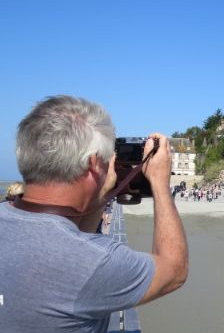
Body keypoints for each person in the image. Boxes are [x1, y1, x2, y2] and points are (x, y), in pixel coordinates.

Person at [0, 95, 188, 332]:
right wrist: (160, 183)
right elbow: (174, 270)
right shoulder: (94, 261)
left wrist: (102, 189)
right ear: (92, 164)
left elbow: (74, 231)